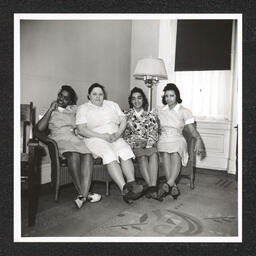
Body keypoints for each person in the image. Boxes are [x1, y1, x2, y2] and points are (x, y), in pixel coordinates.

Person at [76, 83, 144, 204]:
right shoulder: (83, 108)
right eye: (94, 94)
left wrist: (118, 134)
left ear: (104, 95)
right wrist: (103, 136)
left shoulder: (112, 105)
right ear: (89, 96)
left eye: (100, 94)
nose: (98, 96)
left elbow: (123, 120)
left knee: (125, 150)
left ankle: (132, 184)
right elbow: (81, 129)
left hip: (114, 136)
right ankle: (125, 190)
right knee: (109, 153)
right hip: (95, 138)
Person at [36, 85, 101, 209]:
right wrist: (50, 109)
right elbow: (39, 129)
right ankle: (85, 194)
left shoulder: (74, 109)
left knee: (87, 155)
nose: (62, 99)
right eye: (60, 95)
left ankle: (82, 196)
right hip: (60, 140)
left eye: (66, 98)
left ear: (70, 101)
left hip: (74, 140)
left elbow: (90, 109)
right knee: (73, 156)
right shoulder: (52, 111)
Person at [157, 83, 205, 201]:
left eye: (171, 95)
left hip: (178, 138)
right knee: (165, 153)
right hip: (163, 138)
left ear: (176, 96)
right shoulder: (159, 110)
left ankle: (168, 184)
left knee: (175, 152)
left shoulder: (184, 111)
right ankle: (172, 186)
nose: (169, 98)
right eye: (166, 96)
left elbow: (191, 129)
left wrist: (198, 139)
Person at [123, 87, 160, 200]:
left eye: (139, 98)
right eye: (133, 98)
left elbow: (154, 133)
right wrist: (136, 142)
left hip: (148, 144)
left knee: (153, 153)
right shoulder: (126, 115)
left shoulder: (150, 115)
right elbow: (124, 135)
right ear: (131, 101)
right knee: (142, 157)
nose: (137, 101)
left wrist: (147, 142)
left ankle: (152, 187)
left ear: (143, 100)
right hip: (134, 145)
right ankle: (152, 188)